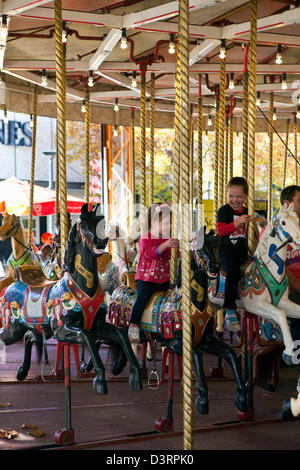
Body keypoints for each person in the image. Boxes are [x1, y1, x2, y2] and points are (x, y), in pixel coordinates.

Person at [128, 202, 179, 343]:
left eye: (170, 223)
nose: (169, 226)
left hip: (163, 279)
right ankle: (134, 324)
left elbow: (168, 256)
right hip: (146, 279)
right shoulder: (145, 238)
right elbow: (151, 254)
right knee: (142, 298)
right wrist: (164, 245)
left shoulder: (165, 238)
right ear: (155, 222)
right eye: (167, 223)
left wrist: (177, 248)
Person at [216, 177, 255, 332]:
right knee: (233, 272)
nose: (234, 199)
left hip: (242, 251)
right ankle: (230, 309)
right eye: (231, 196)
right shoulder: (224, 211)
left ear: (245, 197)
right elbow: (221, 231)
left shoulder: (248, 211)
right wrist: (238, 222)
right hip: (226, 251)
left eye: (238, 196)